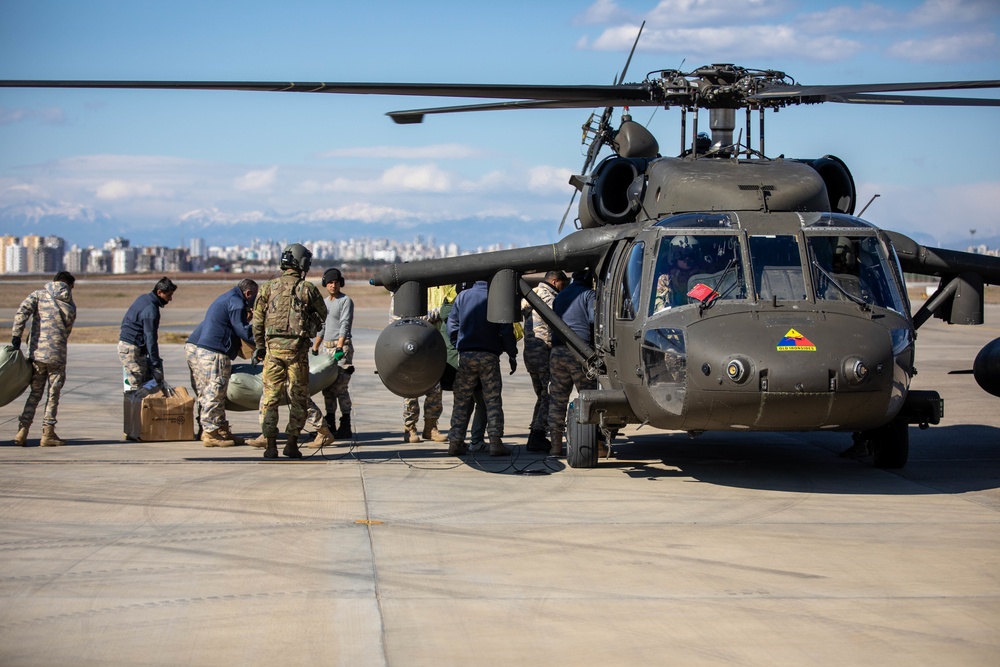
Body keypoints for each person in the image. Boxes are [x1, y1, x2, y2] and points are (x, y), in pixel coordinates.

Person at [251, 243, 327, 460]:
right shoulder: (307, 289)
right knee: (298, 396)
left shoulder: (267, 288)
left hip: (272, 353)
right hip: (297, 354)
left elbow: (257, 322)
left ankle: (271, 446)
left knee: (270, 398)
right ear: (301, 263)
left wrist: (260, 346)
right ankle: (292, 444)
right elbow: (323, 314)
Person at [446, 280, 518, 457]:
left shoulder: (462, 296)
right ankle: (495, 442)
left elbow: (452, 325)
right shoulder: (496, 298)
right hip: (489, 355)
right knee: (492, 400)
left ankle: (455, 441)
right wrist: (511, 352)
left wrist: (459, 344)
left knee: (461, 400)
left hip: (466, 355)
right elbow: (506, 328)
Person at [185, 279, 258, 447]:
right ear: (248, 294)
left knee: (209, 391)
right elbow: (242, 330)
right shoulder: (236, 302)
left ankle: (219, 429)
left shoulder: (227, 298)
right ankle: (211, 434)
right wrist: (261, 341)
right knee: (215, 391)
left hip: (205, 350)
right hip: (215, 352)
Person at [11, 271, 77, 447]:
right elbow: (67, 331)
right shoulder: (70, 305)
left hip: (37, 354)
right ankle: (48, 433)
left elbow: (22, 313)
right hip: (57, 356)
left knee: (35, 393)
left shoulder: (38, 295)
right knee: (53, 395)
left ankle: (22, 431)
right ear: (69, 285)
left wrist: (16, 337)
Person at [548, 270, 599, 457]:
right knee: (589, 396)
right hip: (580, 351)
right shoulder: (588, 294)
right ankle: (594, 442)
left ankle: (555, 445)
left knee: (557, 398)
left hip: (557, 351)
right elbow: (594, 321)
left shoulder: (560, 296)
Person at [119, 277, 177, 428]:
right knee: (136, 390)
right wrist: (156, 363)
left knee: (143, 386)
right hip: (132, 349)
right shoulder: (151, 309)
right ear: (159, 292)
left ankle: (140, 426)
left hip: (133, 347)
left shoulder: (144, 299)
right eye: (168, 295)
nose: (170, 299)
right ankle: (135, 427)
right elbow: (150, 338)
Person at [401, 285, 454, 445]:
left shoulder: (441, 289)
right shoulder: (402, 298)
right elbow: (406, 321)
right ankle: (409, 428)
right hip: (412, 349)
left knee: (435, 389)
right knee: (411, 391)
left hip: (432, 346)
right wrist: (438, 312)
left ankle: (430, 428)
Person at [522, 270, 568, 451]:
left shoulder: (531, 294)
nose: (563, 288)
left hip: (530, 353)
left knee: (542, 396)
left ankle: (535, 435)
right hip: (543, 352)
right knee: (548, 396)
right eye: (563, 284)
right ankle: (538, 436)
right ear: (555, 281)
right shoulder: (550, 298)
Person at [310, 267, 354, 445]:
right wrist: (315, 347)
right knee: (327, 388)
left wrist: (340, 346)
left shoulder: (345, 301)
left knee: (340, 388)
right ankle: (330, 423)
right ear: (325, 284)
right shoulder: (324, 302)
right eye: (329, 282)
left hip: (340, 347)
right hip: (326, 348)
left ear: (340, 283)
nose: (333, 285)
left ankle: (346, 423)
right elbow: (322, 326)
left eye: (335, 282)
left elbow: (345, 324)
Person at [652, 236, 703, 312]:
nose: (687, 259)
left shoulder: (704, 276)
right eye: (681, 255)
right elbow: (658, 305)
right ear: (673, 256)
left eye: (691, 254)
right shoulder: (665, 279)